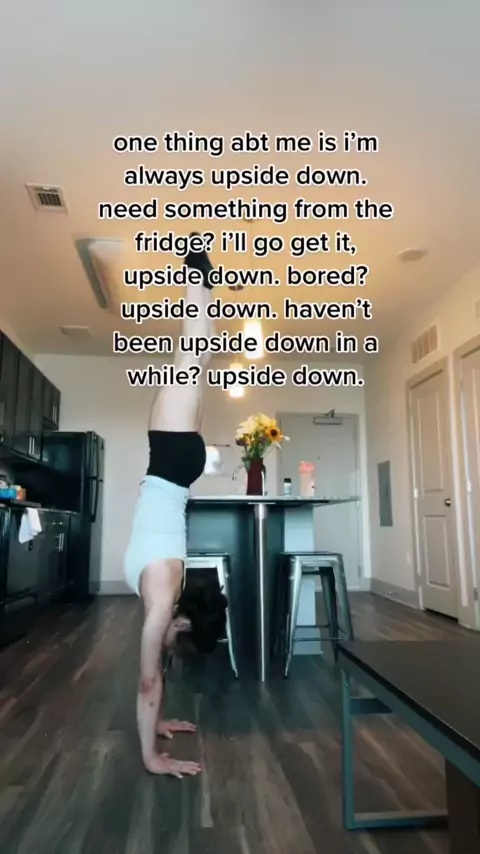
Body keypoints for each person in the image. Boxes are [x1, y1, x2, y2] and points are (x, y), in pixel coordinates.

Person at [124, 234, 227, 777]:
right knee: (194, 356)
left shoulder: (163, 600)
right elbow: (153, 675)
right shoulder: (158, 596)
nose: (169, 642)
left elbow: (149, 678)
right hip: (170, 459)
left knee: (193, 356)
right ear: (182, 623)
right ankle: (197, 277)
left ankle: (197, 278)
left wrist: (154, 746)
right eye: (178, 638)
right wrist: (156, 739)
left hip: (172, 458)